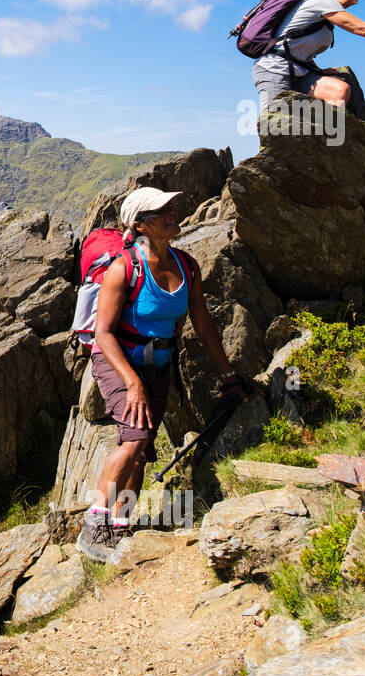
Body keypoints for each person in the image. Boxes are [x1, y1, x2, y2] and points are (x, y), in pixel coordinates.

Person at [76, 187, 253, 563]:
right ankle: (94, 527)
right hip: (117, 361)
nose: (172, 213)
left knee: (141, 451)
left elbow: (203, 324)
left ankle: (121, 527)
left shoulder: (187, 265)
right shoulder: (124, 267)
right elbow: (103, 333)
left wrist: (228, 375)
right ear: (139, 224)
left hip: (157, 364)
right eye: (161, 211)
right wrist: (132, 382)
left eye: (172, 207)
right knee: (134, 437)